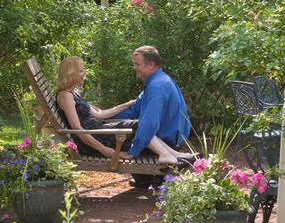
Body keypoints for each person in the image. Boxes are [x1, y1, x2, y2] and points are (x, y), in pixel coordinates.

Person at [56, 56, 187, 164]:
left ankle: (172, 154)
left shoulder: (73, 93)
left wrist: (127, 104)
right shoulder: (65, 96)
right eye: (81, 71)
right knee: (139, 126)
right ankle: (168, 153)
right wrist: (104, 149)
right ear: (71, 73)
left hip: (100, 132)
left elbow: (100, 115)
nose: (84, 73)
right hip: (95, 139)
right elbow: (77, 128)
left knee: (140, 125)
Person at [114, 46, 192, 164]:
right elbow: (134, 110)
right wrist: (103, 115)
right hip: (169, 140)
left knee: (119, 135)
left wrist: (133, 152)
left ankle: (148, 178)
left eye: (137, 64)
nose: (134, 67)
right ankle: (145, 181)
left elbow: (149, 124)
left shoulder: (157, 87)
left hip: (166, 142)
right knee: (132, 128)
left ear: (151, 65)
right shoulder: (158, 80)